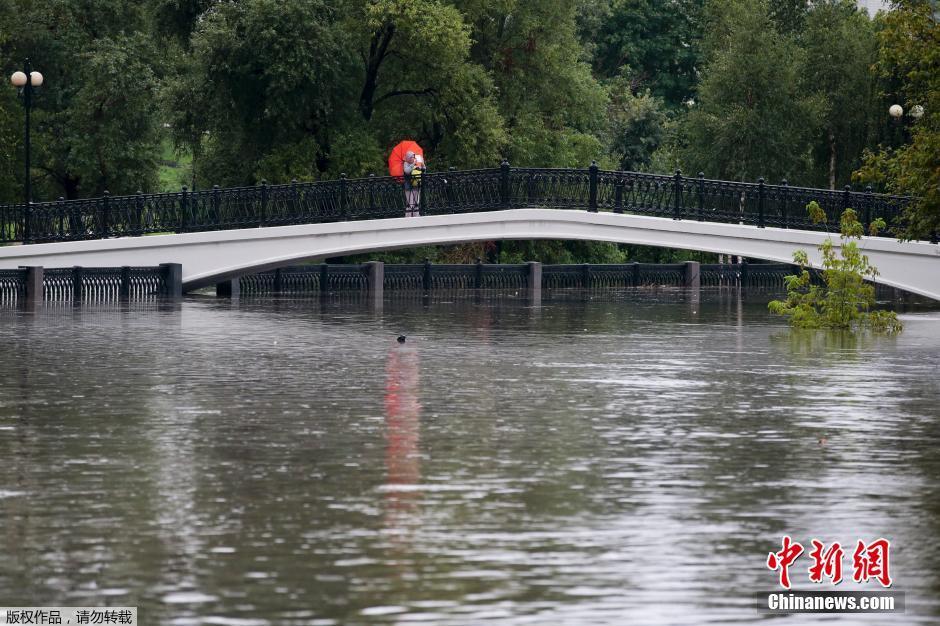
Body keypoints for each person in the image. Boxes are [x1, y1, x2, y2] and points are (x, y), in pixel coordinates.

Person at [403, 151, 425, 217]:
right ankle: (408, 216)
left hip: (416, 184)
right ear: (408, 158)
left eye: (413, 157)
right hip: (408, 186)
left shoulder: (416, 163)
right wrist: (413, 164)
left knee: (416, 201)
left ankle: (416, 215)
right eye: (412, 157)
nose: (413, 158)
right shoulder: (405, 163)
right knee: (410, 202)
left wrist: (423, 165)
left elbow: (423, 171)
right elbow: (407, 171)